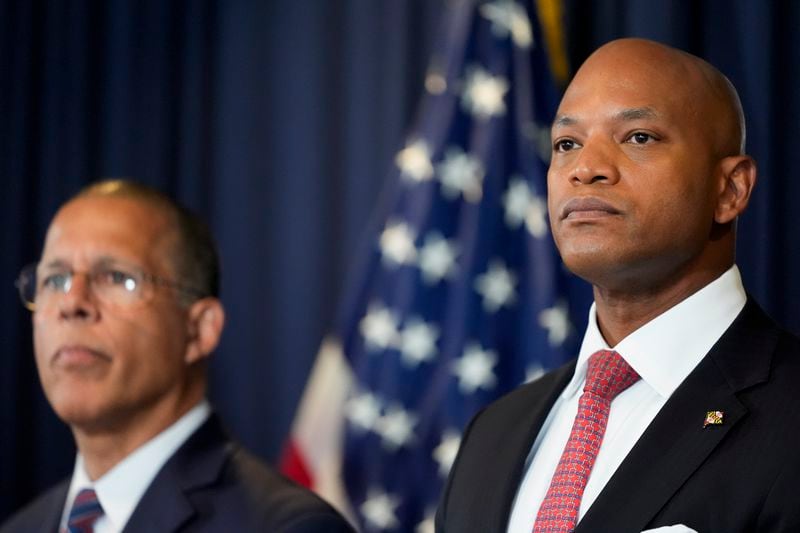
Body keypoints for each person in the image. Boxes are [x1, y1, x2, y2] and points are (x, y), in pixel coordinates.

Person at [436, 38, 800, 533]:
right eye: (567, 144)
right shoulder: (492, 433)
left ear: (729, 189)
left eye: (638, 137)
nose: (586, 168)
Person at [1, 180, 354, 533]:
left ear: (199, 329)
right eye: (54, 279)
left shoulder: (291, 527)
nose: (72, 302)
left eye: (116, 277)